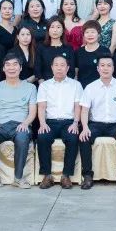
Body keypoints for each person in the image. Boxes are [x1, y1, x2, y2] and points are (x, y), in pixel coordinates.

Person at [0, 55, 39, 190]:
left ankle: (18, 178)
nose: (11, 68)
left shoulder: (30, 88)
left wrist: (25, 123)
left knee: (22, 138)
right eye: (8, 65)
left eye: (15, 64)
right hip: (0, 125)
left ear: (20, 68)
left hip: (20, 124)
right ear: (3, 68)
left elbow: (32, 112)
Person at [77, 55, 116, 190]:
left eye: (109, 65)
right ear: (98, 68)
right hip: (96, 124)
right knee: (84, 138)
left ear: (113, 68)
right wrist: (85, 127)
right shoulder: (90, 87)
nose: (105, 68)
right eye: (102, 65)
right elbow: (84, 111)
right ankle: (88, 176)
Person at [35, 55, 83, 189]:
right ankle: (47, 175)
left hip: (69, 122)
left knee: (73, 138)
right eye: (56, 65)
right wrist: (42, 123)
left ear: (67, 68)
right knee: (42, 137)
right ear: (52, 67)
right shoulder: (44, 85)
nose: (59, 68)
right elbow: (41, 107)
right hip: (50, 122)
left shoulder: (76, 85)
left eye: (62, 65)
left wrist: (75, 123)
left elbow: (77, 106)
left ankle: (66, 175)